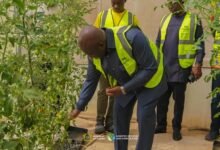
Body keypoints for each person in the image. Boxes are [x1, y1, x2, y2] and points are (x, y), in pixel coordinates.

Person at [69, 25, 167, 150]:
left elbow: (150, 67)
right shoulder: (93, 52)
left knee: (144, 116)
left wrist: (123, 89)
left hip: (152, 78)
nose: (91, 57)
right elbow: (90, 80)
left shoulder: (132, 37)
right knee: (119, 115)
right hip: (126, 80)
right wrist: (79, 107)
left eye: (92, 54)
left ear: (100, 44)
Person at [155, 0, 205, 141]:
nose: (170, 5)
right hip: (164, 67)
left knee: (179, 101)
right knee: (162, 99)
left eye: (173, 2)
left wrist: (198, 63)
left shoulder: (194, 20)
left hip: (181, 68)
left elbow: (200, 44)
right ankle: (160, 125)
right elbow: (158, 42)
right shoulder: (165, 19)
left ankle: (176, 128)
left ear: (182, 2)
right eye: (168, 3)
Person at [93, 0, 139, 134]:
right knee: (103, 91)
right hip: (104, 62)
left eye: (119, 1)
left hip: (121, 64)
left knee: (115, 92)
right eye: (113, 1)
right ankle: (99, 121)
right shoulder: (102, 16)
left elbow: (136, 39)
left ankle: (110, 122)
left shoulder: (132, 18)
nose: (116, 3)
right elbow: (95, 36)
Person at [205, 1, 220, 141]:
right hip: (218, 66)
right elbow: (213, 31)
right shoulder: (215, 7)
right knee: (216, 100)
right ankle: (214, 129)